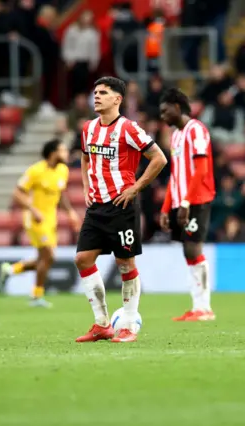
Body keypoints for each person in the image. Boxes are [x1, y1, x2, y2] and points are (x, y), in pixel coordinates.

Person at [74, 76, 167, 343]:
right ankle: (102, 323)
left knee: (125, 263)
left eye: (103, 92)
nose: (96, 96)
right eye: (95, 92)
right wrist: (84, 187)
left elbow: (159, 158)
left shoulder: (129, 128)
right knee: (82, 259)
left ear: (118, 99)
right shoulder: (88, 128)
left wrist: (135, 187)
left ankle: (127, 324)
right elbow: (84, 156)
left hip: (121, 205)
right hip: (96, 207)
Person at [0, 139, 80, 307]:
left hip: (51, 220)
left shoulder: (63, 170)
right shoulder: (35, 170)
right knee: (48, 256)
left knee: (46, 259)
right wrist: (33, 209)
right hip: (35, 220)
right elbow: (17, 194)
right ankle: (36, 296)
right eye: (63, 150)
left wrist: (70, 212)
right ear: (53, 153)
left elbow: (61, 194)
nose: (66, 154)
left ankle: (10, 270)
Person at [158, 88, 216, 322]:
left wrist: (185, 202)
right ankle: (197, 306)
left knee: (193, 248)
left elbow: (201, 170)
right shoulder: (176, 136)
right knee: (187, 250)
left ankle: (205, 308)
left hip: (197, 200)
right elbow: (175, 174)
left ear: (177, 107)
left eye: (165, 111)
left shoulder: (197, 130)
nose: (162, 116)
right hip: (182, 200)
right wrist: (165, 207)